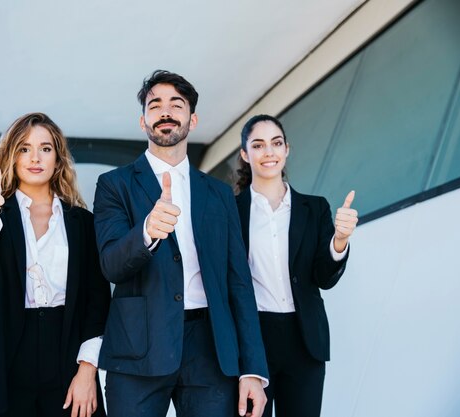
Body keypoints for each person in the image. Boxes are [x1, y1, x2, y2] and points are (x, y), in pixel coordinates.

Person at [93, 70, 269, 417]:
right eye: (155, 105)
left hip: (210, 349)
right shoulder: (114, 185)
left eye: (177, 104)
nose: (166, 112)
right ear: (143, 120)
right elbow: (111, 264)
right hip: (137, 349)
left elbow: (239, 281)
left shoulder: (219, 193)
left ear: (193, 118)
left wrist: (253, 369)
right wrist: (146, 232)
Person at [0, 112, 111, 417]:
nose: (35, 157)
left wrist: (87, 372)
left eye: (46, 148)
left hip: (67, 348)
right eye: (24, 148)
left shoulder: (83, 223)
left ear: (58, 159)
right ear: (11, 157)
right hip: (8, 351)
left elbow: (98, 302)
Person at [235, 114, 358, 417]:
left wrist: (339, 240)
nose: (269, 152)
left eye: (276, 143)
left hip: (305, 340)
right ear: (244, 154)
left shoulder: (315, 208)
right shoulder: (231, 210)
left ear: (287, 149)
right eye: (258, 145)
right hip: (253, 340)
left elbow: (323, 277)